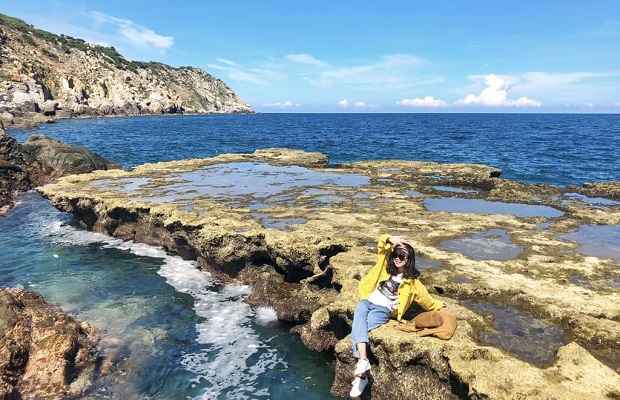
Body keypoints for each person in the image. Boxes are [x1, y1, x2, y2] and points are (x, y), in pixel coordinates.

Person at [349, 234, 447, 398]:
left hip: (383, 310)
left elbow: (427, 301)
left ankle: (362, 375)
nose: (397, 258)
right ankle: (363, 363)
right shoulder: (386, 268)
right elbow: (382, 246)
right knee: (359, 313)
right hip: (368, 301)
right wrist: (390, 239)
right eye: (396, 255)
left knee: (361, 327)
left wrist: (438, 304)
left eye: (402, 256)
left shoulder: (413, 283)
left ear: (409, 260)